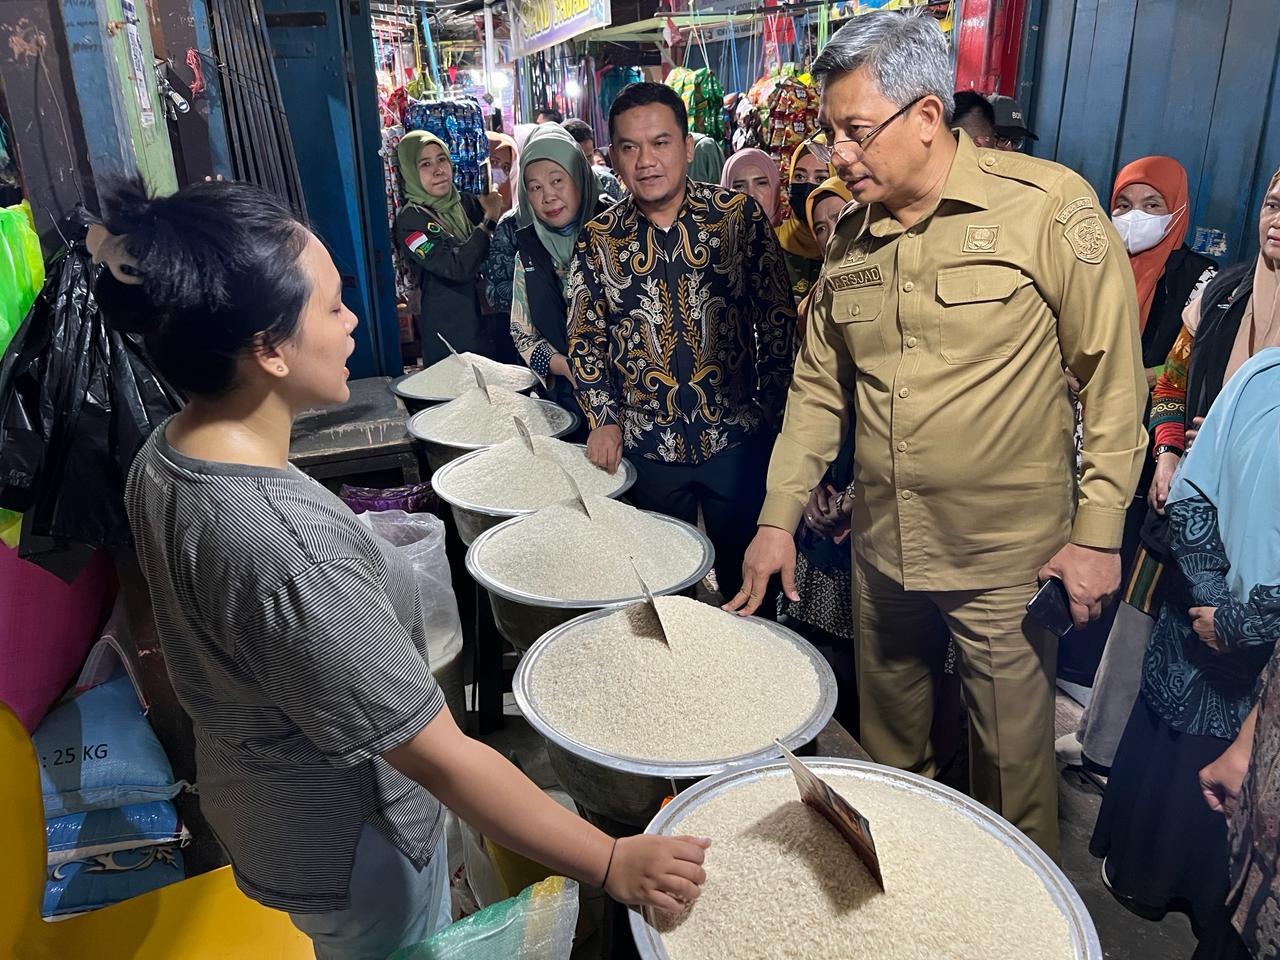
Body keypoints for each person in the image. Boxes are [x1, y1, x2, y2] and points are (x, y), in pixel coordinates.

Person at [93, 178, 709, 960]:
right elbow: (441, 757)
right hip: (350, 841)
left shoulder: (167, 452)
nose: (354, 324)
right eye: (333, 308)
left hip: (263, 803)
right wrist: (613, 860)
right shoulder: (290, 548)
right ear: (269, 349)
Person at [727, 9, 1147, 861]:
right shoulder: (849, 238)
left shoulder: (1046, 206)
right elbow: (817, 391)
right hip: (886, 560)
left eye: (855, 130)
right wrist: (776, 520)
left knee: (1012, 784)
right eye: (830, 130)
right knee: (891, 767)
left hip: (1007, 564)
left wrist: (1098, 537)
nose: (838, 154)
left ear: (926, 116)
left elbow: (1113, 384)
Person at [566, 81, 796, 604]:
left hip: (737, 439)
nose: (646, 160)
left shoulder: (738, 218)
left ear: (688, 147)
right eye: (630, 147)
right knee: (663, 589)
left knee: (750, 583)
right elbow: (584, 335)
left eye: (661, 142)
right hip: (648, 448)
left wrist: (776, 407)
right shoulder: (600, 239)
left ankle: (752, 681)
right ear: (614, 158)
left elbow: (778, 319)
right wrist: (602, 417)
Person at [1091, 347, 1280, 955]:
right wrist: (1215, 601)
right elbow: (1192, 492)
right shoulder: (1260, 373)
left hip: (1260, 653)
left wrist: (1246, 622)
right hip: (1198, 617)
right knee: (1170, 754)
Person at [1057, 156, 1217, 770]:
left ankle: (1093, 678)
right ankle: (1072, 664)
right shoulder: (1090, 259)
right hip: (1076, 426)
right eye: (1125, 204)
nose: (1134, 220)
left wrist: (1114, 373)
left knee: (1117, 545)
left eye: (1154, 206)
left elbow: (1175, 368)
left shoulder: (1201, 280)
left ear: (1178, 212)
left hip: (1148, 439)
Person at [508, 123, 611, 424]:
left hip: (632, 405)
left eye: (557, 181)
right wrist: (563, 366)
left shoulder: (617, 238)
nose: (548, 196)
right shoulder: (528, 254)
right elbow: (522, 334)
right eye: (535, 187)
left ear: (580, 178)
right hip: (566, 404)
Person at [394, 131, 505, 365]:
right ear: (410, 171)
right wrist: (489, 221)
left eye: (441, 159)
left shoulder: (466, 203)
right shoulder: (411, 221)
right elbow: (456, 266)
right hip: (452, 337)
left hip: (489, 326)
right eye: (425, 164)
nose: (438, 170)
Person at [776, 139, 834, 302]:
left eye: (820, 179)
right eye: (800, 176)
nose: (808, 186)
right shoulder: (770, 245)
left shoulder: (848, 249)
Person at [562, 118, 623, 201]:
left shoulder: (607, 183)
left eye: (589, 157)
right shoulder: (555, 190)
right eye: (579, 159)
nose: (585, 165)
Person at [721, 147, 782, 224]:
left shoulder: (795, 235)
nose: (751, 194)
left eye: (761, 183)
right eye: (739, 186)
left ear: (775, 187)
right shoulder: (714, 235)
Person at [484, 130, 518, 212]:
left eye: (506, 167)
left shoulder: (508, 213)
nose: (499, 171)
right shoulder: (463, 206)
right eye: (494, 162)